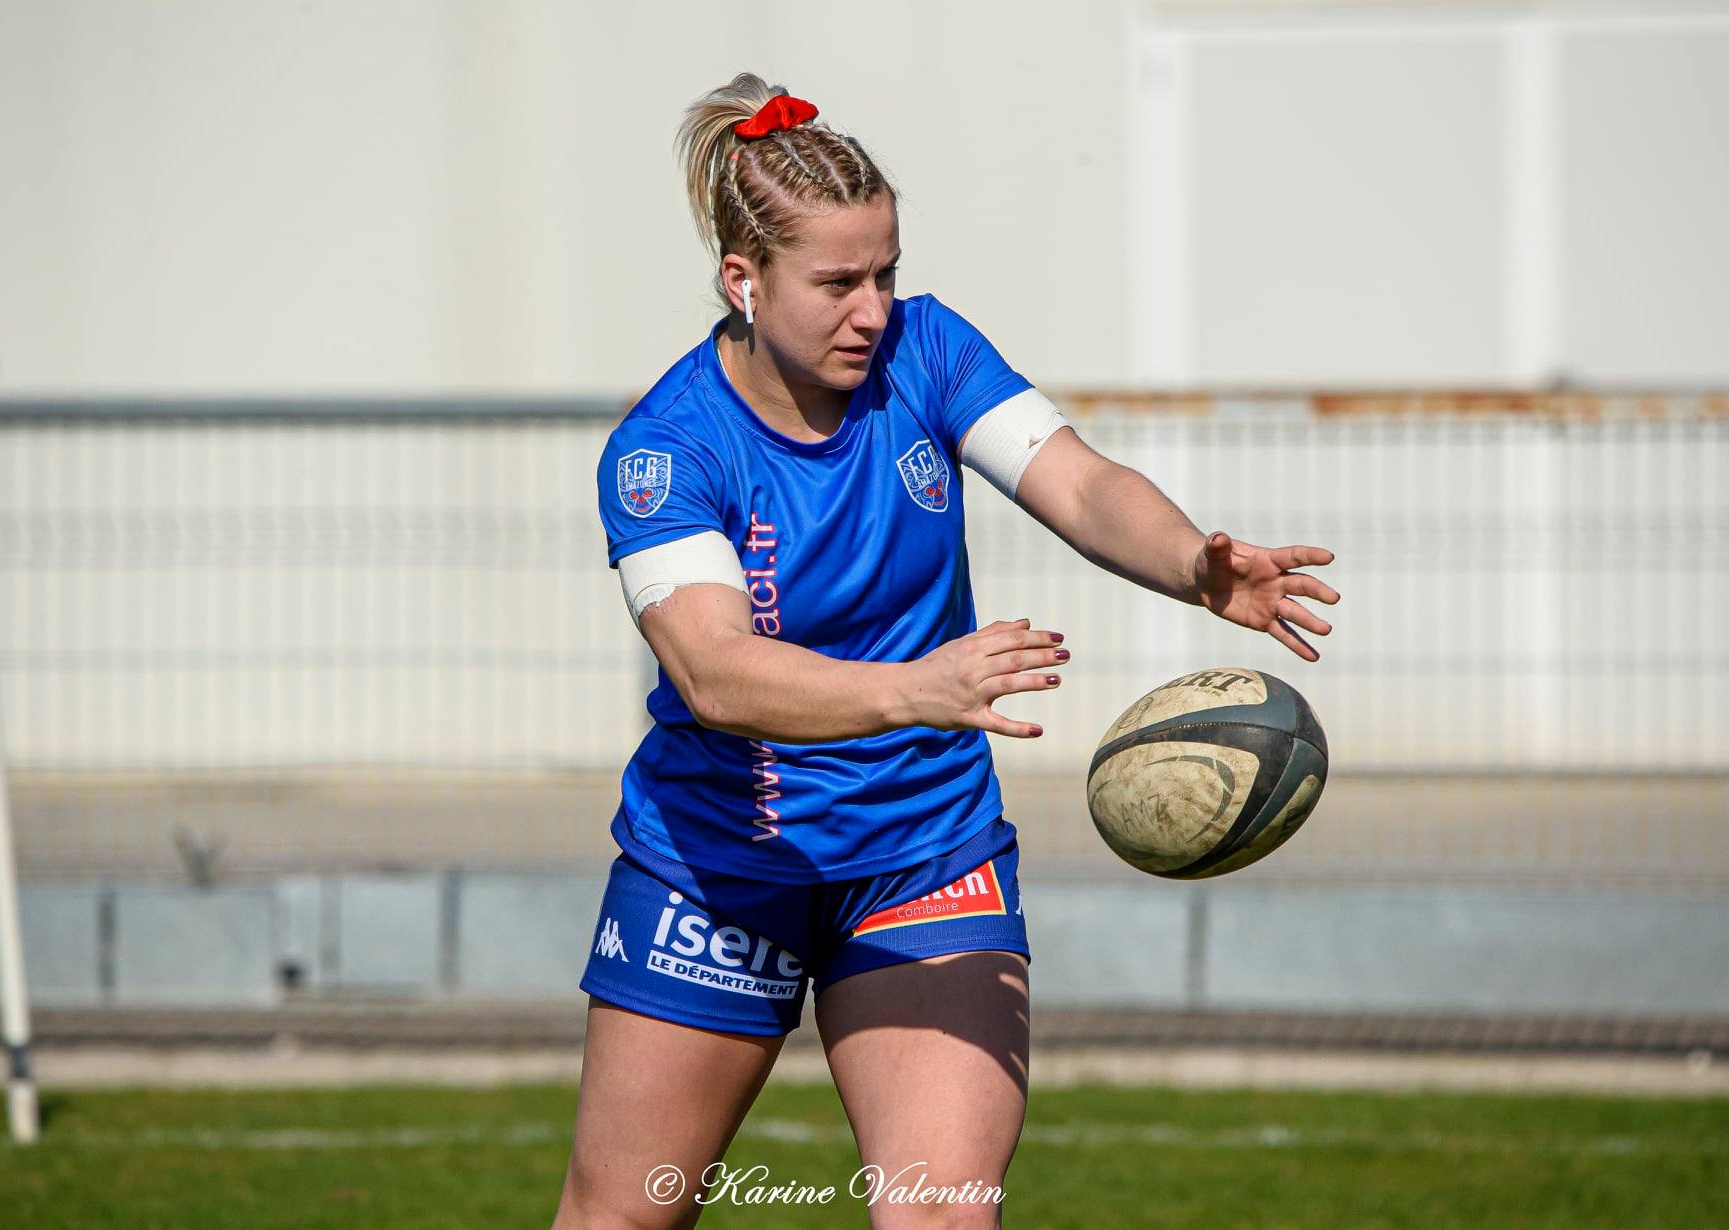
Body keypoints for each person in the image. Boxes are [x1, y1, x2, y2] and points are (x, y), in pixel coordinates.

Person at [552, 74, 1339, 1229]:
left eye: (886, 273)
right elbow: (716, 674)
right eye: (835, 283)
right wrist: (919, 686)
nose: (871, 310)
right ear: (743, 280)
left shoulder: (928, 352)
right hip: (720, 869)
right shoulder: (665, 452)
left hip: (926, 854)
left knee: (940, 1216)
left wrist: (1192, 562)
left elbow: (1074, 479)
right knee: (623, 1214)